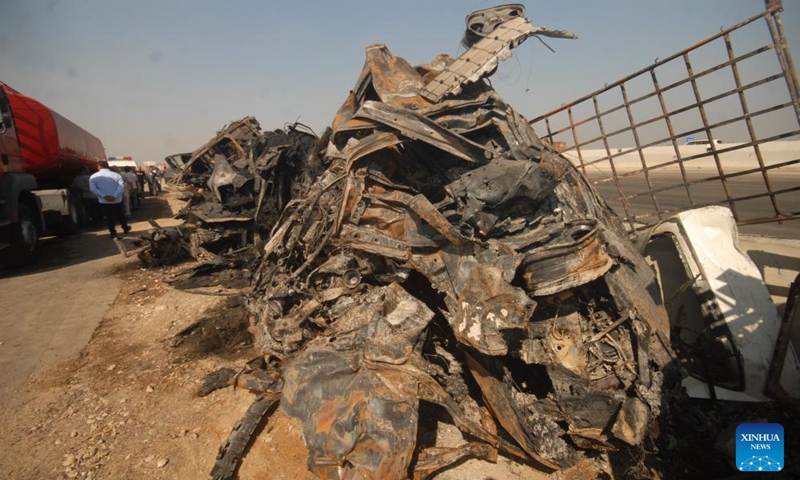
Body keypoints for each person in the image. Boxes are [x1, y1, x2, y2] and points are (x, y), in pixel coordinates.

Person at [89, 160, 131, 238]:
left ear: (98, 167)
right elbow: (121, 187)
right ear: (107, 166)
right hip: (117, 199)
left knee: (109, 217)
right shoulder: (116, 175)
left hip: (104, 201)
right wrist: (114, 196)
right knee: (121, 214)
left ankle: (113, 232)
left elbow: (93, 189)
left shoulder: (93, 177)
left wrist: (103, 195)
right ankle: (125, 228)